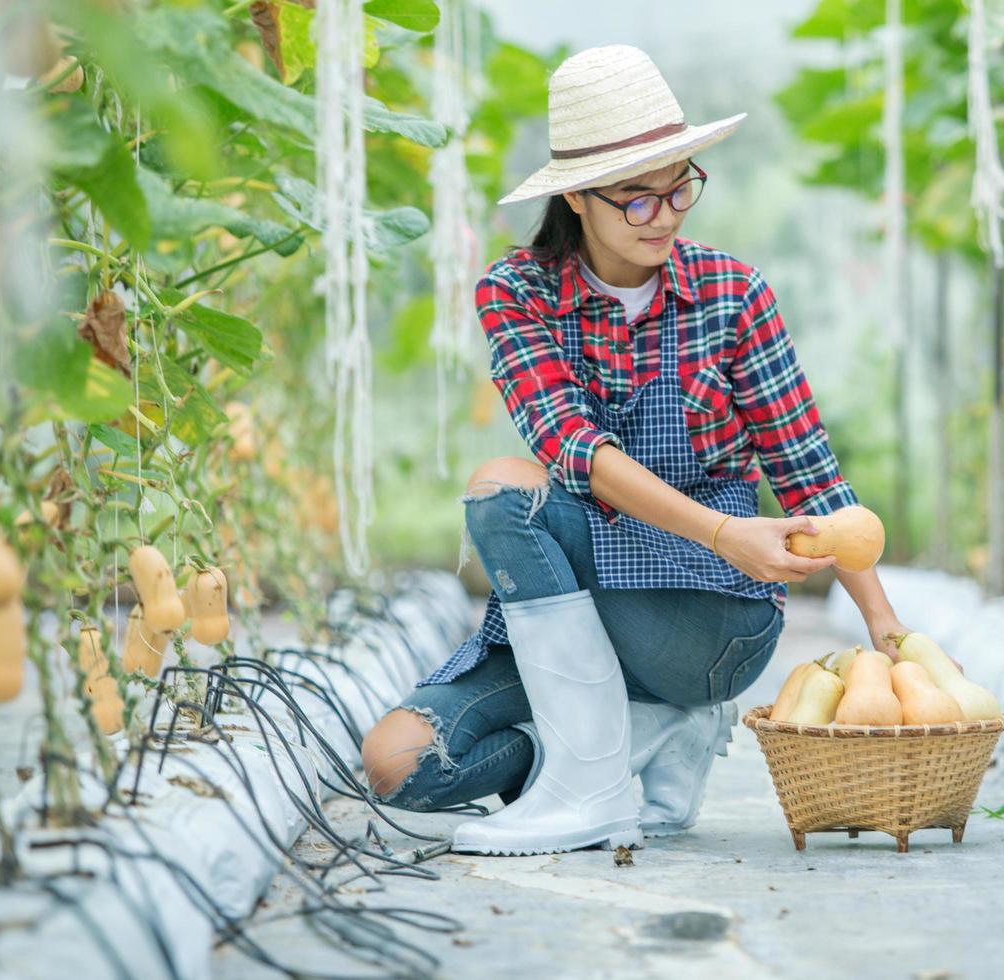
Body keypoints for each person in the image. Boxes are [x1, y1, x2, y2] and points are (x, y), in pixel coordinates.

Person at [360, 44, 911, 856]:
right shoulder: (517, 293)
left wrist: (886, 627)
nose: (666, 215)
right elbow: (572, 447)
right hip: (588, 611)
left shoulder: (732, 293)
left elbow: (806, 472)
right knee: (399, 765)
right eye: (637, 199)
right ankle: (637, 741)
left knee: (502, 488)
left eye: (680, 186)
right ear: (577, 197)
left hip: (708, 622)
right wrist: (726, 528)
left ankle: (592, 784)